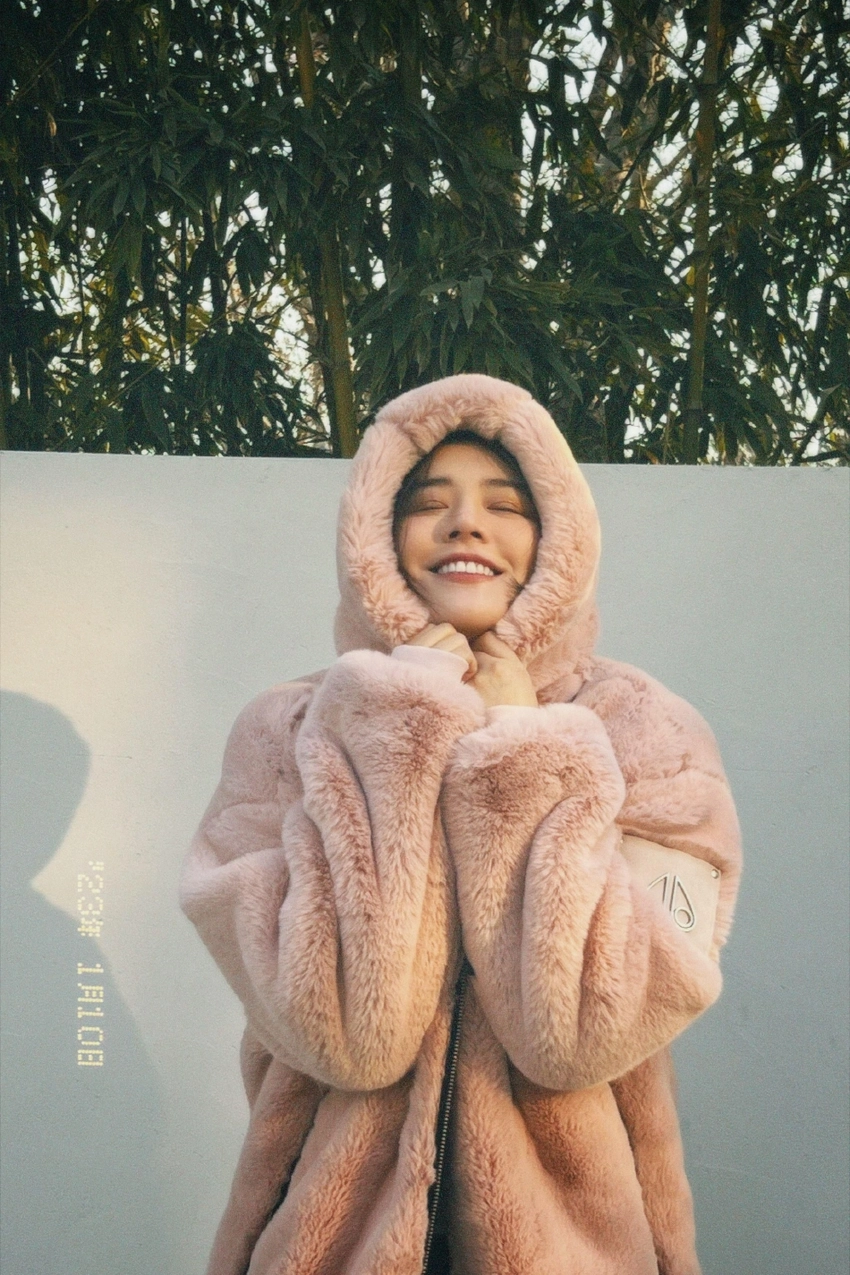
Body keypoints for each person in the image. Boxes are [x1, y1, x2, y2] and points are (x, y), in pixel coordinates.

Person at [181, 373, 741, 1275]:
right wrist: (394, 727)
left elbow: (587, 1034)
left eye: (506, 505)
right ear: (375, 536)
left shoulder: (648, 733)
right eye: (427, 503)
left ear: (558, 539)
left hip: (576, 1248)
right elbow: (345, 1036)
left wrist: (527, 747)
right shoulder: (288, 729)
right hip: (325, 1242)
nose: (466, 525)